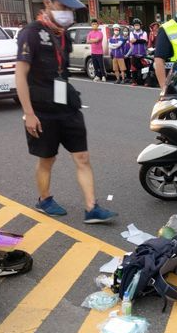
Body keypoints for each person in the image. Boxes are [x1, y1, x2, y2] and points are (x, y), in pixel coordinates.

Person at [15, 0, 118, 223]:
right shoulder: (31, 33)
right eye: (63, 8)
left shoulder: (63, 34)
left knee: (82, 156)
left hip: (67, 104)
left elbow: (61, 72)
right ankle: (44, 200)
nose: (68, 14)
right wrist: (29, 113)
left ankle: (92, 208)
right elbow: (20, 75)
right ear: (48, 3)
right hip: (42, 109)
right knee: (47, 159)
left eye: (70, 10)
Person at [129, 18, 148, 86]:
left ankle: (145, 81)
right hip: (134, 53)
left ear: (140, 25)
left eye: (138, 25)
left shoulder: (144, 32)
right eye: (135, 25)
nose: (136, 26)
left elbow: (144, 41)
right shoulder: (131, 33)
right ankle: (134, 81)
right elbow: (131, 41)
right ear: (133, 26)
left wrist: (136, 40)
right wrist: (139, 40)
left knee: (145, 68)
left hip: (143, 53)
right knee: (134, 68)